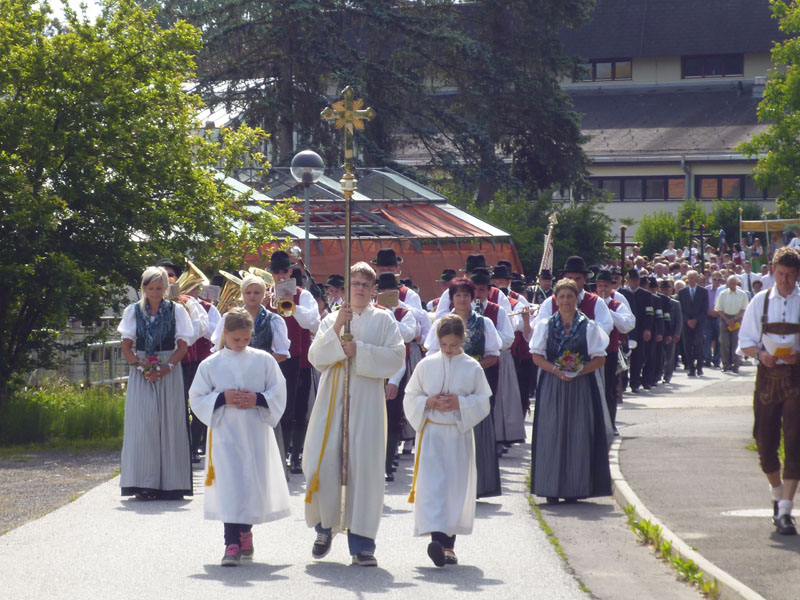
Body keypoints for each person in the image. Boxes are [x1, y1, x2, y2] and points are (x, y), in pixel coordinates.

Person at [303, 262, 405, 567]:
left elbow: (396, 357)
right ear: (347, 287)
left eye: (365, 284)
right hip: (332, 397)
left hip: (367, 399)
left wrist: (359, 350)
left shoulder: (384, 320)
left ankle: (362, 543)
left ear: (373, 289)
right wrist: (337, 328)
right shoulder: (332, 318)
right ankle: (324, 528)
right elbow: (316, 358)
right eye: (355, 283)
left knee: (364, 466)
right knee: (325, 461)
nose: (359, 289)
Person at [189, 308, 291, 566]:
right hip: (225, 432)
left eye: (246, 339)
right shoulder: (210, 364)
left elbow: (278, 390)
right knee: (230, 485)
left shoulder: (263, 360)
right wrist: (222, 398)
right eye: (236, 339)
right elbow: (197, 397)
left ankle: (245, 531)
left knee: (249, 483)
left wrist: (258, 399)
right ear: (225, 334)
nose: (241, 344)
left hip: (254, 430)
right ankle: (231, 543)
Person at [403, 315, 492, 568]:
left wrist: (460, 403)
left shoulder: (472, 367)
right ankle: (437, 542)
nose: (448, 350)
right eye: (444, 345)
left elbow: (483, 401)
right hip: (432, 433)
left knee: (453, 488)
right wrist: (428, 402)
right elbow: (411, 396)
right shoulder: (426, 365)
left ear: (462, 340)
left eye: (453, 344)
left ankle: (448, 546)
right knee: (434, 488)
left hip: (457, 435)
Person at [529, 278, 612, 503]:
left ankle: (575, 488)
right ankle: (550, 487)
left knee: (578, 434)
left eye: (570, 296)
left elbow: (600, 359)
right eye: (562, 296)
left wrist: (578, 371)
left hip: (580, 387)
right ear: (555, 299)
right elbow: (536, 356)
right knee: (551, 433)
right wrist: (556, 370)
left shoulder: (588, 326)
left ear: (577, 299)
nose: (566, 301)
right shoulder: (546, 325)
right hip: (552, 385)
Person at [118, 266, 195, 500]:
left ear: (166, 288)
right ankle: (144, 482)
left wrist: (166, 368)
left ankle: (172, 483)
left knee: (171, 423)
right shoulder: (133, 311)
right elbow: (126, 346)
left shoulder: (176, 311)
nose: (155, 292)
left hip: (168, 367)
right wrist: (142, 368)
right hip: (142, 368)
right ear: (144, 288)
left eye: (159, 288)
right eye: (151, 288)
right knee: (143, 424)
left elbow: (182, 346)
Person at [738, 247, 800, 535]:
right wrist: (761, 354)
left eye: (790, 275)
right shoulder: (760, 301)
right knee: (764, 442)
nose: (785, 281)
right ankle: (777, 493)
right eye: (781, 274)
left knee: (795, 441)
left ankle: (786, 509)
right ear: (773, 271)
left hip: (796, 378)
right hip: (766, 378)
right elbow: (745, 342)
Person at [425, 277, 502, 498]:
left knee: (476, 430)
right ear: (451, 298)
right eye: (457, 295)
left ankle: (477, 486)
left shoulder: (484, 323)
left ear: (472, 297)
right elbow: (430, 353)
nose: (462, 299)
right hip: (446, 381)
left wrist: (471, 366)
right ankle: (449, 486)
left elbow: (494, 355)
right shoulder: (441, 323)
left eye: (466, 295)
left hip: (472, 384)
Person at [267, 250, 320, 475]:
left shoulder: (303, 295)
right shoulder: (265, 294)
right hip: (271, 359)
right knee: (275, 408)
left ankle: (296, 456)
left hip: (299, 360)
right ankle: (276, 454)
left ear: (290, 272)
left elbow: (313, 323)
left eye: (284, 271)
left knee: (298, 409)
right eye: (276, 272)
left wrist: (292, 305)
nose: (280, 276)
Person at [595, 271, 635, 432]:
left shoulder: (617, 304)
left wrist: (608, 311)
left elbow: (628, 324)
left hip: (610, 352)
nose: (602, 289)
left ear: (611, 286)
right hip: (592, 353)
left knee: (610, 389)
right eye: (599, 286)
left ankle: (610, 424)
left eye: (605, 286)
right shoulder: (592, 302)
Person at [678, 270, 709, 377]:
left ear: (697, 279)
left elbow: (704, 309)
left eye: (693, 277)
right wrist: (688, 320)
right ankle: (691, 368)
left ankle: (699, 367)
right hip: (686, 323)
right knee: (687, 346)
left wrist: (696, 320)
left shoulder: (703, 291)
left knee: (698, 343)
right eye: (689, 277)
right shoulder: (682, 292)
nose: (691, 280)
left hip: (699, 323)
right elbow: (681, 309)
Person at [716, 275, 749, 373]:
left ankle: (736, 364)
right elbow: (719, 309)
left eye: (733, 283)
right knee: (724, 342)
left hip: (737, 319)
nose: (731, 285)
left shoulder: (742, 294)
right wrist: (727, 320)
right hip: (724, 318)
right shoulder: (723, 294)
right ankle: (725, 365)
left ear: (736, 283)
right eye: (729, 283)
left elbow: (744, 309)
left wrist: (734, 319)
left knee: (736, 343)